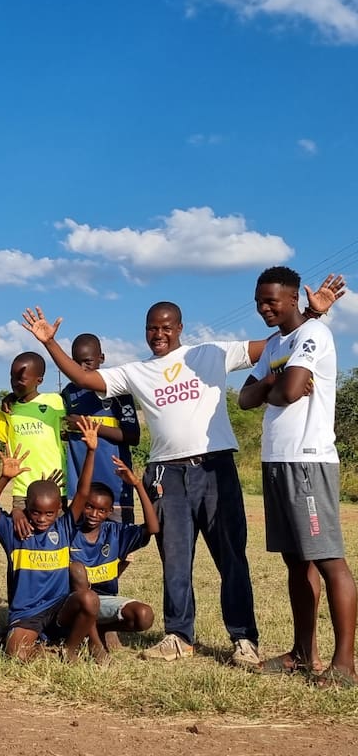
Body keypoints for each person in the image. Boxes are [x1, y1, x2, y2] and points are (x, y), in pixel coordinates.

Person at [19, 279, 344, 666]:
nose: (158, 334)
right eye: (151, 328)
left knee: (231, 557)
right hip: (165, 474)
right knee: (174, 560)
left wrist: (312, 313)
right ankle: (178, 636)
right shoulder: (137, 372)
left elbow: (274, 341)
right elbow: (88, 378)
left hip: (214, 466)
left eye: (165, 327)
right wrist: (49, 343)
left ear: (179, 329)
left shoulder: (211, 354)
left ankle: (243, 638)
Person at [238, 266, 356, 685]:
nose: (265, 308)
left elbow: (290, 393)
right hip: (276, 460)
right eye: (259, 302)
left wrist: (279, 386)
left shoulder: (313, 335)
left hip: (308, 461)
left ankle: (344, 663)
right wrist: (276, 379)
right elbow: (248, 397)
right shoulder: (275, 344)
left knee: (328, 560)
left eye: (272, 301)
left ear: (292, 300)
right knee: (295, 561)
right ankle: (303, 653)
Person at [0, 438, 101, 663]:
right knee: (16, 655)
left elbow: (83, 493)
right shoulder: (15, 530)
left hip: (59, 607)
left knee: (90, 599)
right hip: (27, 613)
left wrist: (91, 451)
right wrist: (5, 477)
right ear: (26, 507)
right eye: (36, 512)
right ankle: (46, 649)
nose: (42, 519)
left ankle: (71, 649)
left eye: (49, 513)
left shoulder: (64, 527)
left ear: (58, 510)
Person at [68, 447, 160, 658]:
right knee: (77, 571)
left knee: (144, 616)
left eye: (101, 510)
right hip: (72, 604)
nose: (93, 514)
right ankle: (94, 643)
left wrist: (137, 484)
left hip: (104, 601)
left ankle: (101, 629)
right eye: (89, 507)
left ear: (109, 512)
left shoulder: (115, 532)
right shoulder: (69, 530)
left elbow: (153, 528)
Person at [61, 334, 140, 523]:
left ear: (101, 358)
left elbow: (133, 436)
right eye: (76, 362)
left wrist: (89, 426)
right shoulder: (68, 393)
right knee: (78, 547)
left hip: (115, 486)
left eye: (88, 362)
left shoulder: (119, 391)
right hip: (79, 489)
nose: (82, 368)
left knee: (119, 544)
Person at [4, 352, 67, 510]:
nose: (15, 383)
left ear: (39, 380)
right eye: (12, 377)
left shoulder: (55, 402)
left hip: (54, 484)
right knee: (22, 533)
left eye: (21, 379)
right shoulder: (9, 409)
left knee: (56, 533)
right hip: (22, 489)